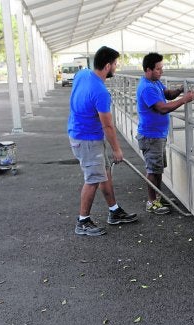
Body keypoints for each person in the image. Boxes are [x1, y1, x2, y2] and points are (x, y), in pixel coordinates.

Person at [67, 46, 138, 237]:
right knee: (92, 179)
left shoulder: (82, 75)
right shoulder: (100, 92)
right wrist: (117, 149)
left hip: (80, 133)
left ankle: (114, 211)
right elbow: (108, 126)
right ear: (107, 66)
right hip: (87, 139)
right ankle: (83, 221)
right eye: (115, 64)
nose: (116, 67)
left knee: (103, 173)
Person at [136, 52, 194, 214]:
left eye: (161, 68)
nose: (161, 71)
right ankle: (151, 202)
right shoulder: (147, 88)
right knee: (153, 169)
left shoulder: (155, 83)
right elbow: (162, 108)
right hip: (151, 135)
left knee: (158, 169)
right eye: (158, 69)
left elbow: (167, 94)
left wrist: (179, 90)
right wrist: (184, 99)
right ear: (148, 69)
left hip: (157, 134)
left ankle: (158, 197)